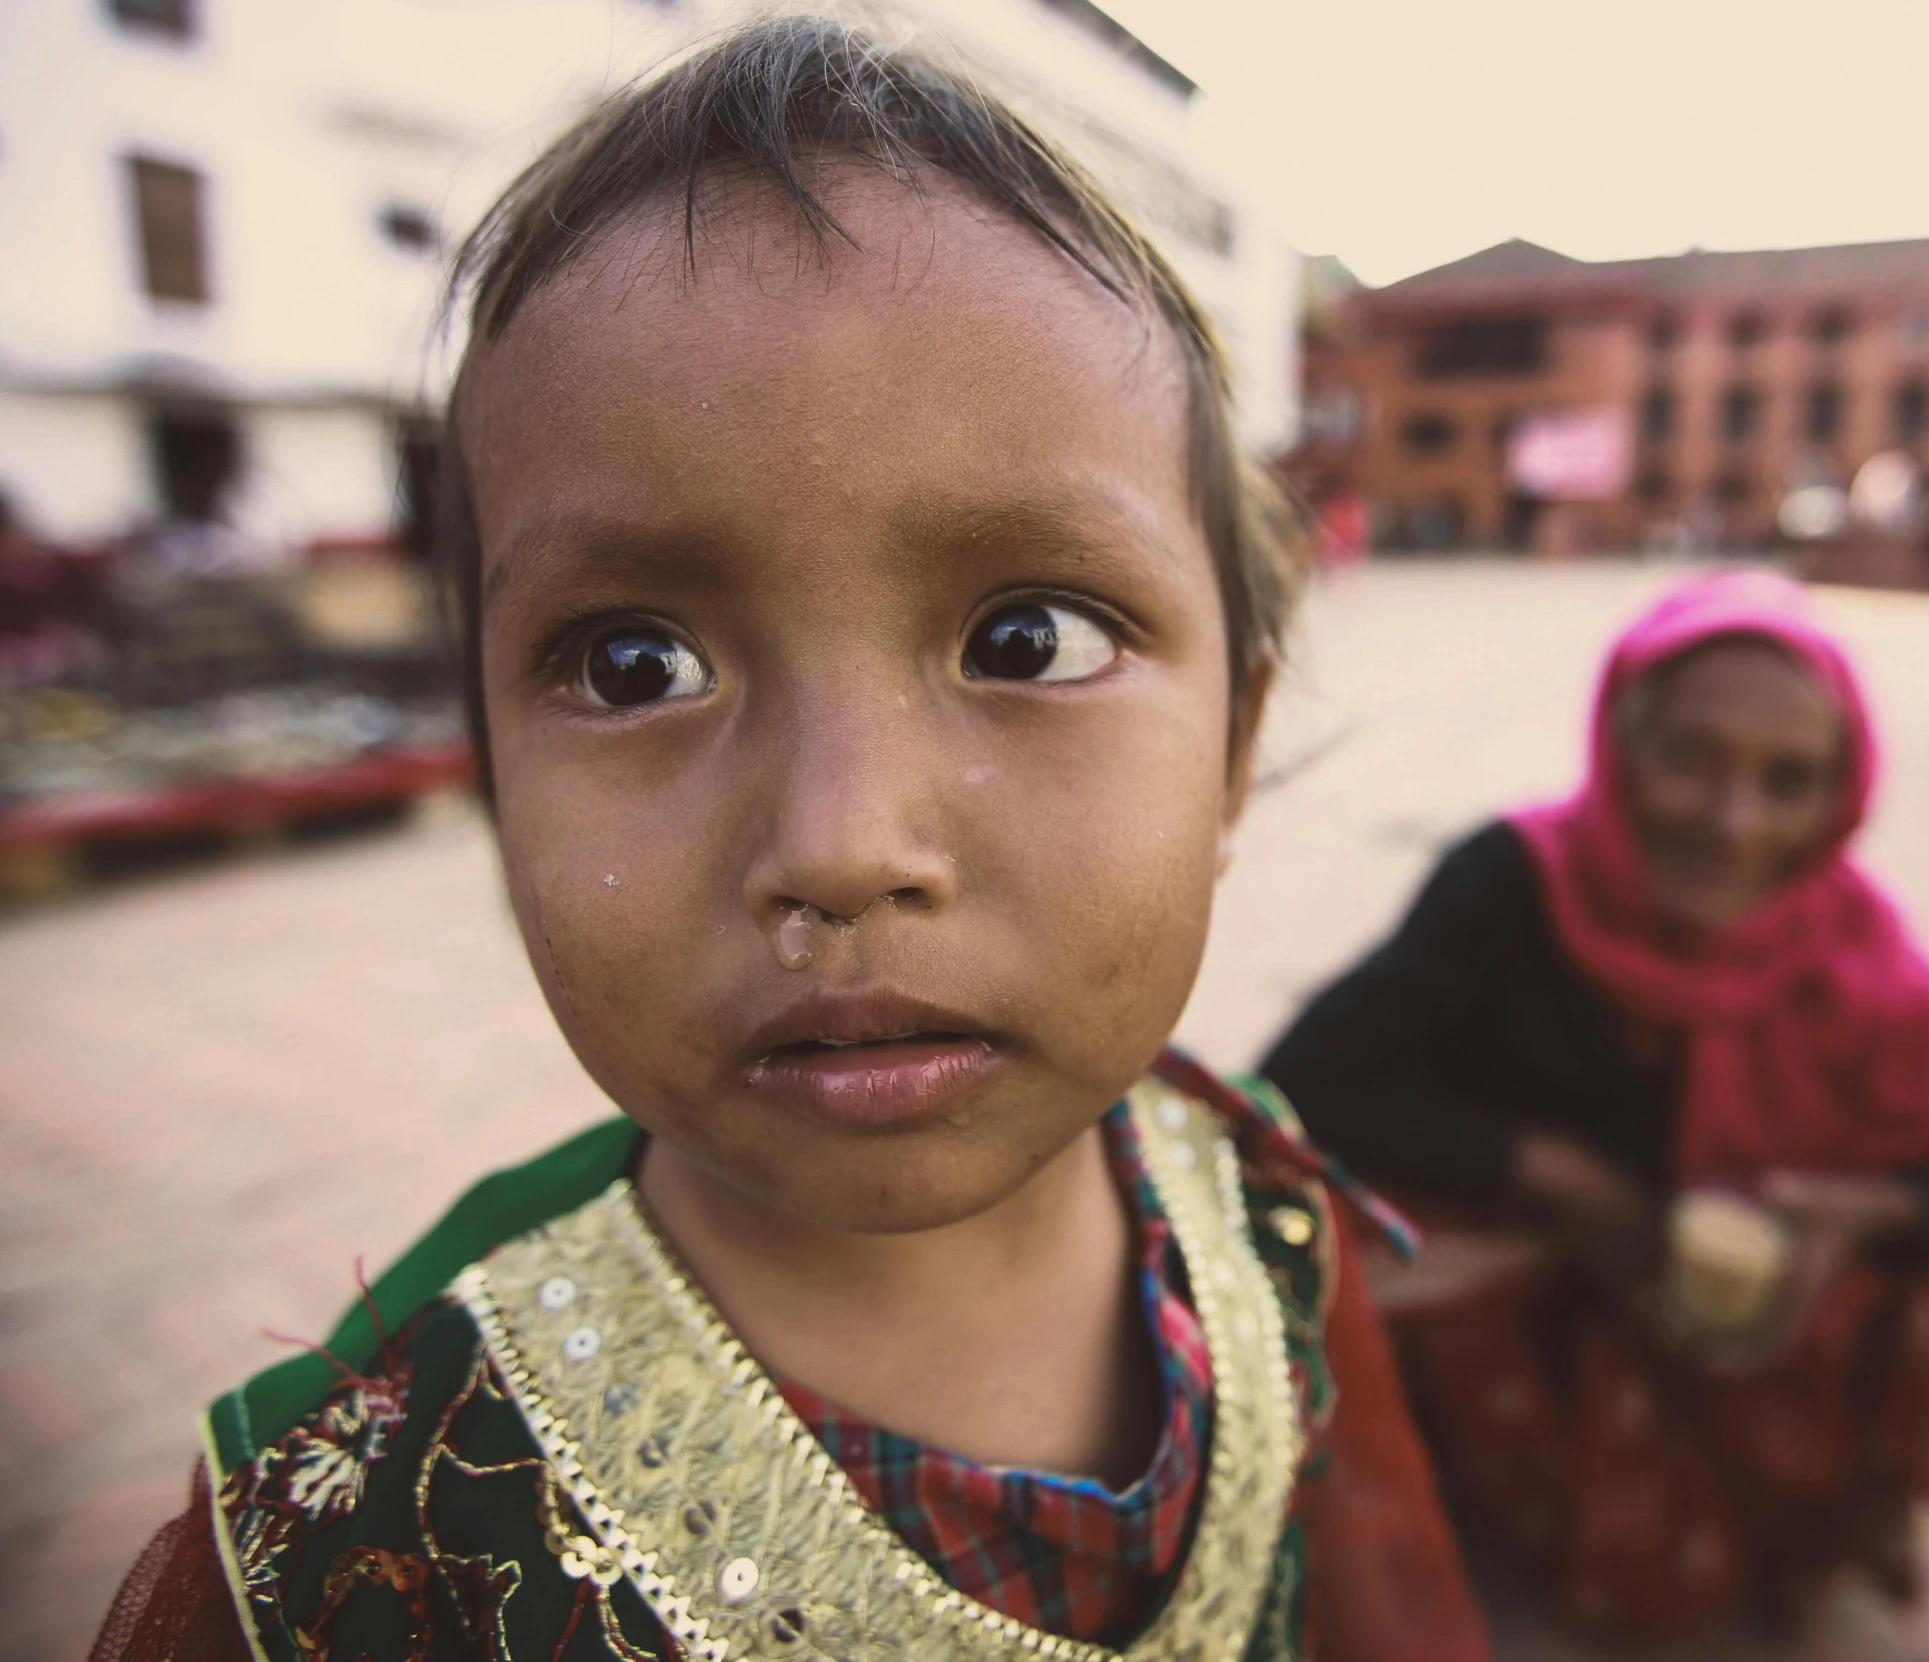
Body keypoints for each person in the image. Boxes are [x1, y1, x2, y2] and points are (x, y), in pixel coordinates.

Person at [90, 21, 1490, 1662]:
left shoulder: (1263, 1211)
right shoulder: (375, 1511)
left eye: (1029, 638)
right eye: (635, 667)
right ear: (487, 770)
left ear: (1236, 746)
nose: (840, 845)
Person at [1264, 570, 1929, 1639]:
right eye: (1689, 758)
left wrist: (1857, 1218)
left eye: (1787, 781)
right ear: (1620, 744)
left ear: (1837, 797)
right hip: (1552, 1280)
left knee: (1925, 1264)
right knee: (1338, 1245)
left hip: (1753, 1302)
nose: (1733, 823)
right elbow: (1312, 1077)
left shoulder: (1851, 944)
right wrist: (1556, 1176)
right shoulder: (1512, 880)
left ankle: (1790, 1516)